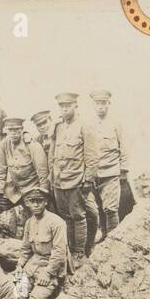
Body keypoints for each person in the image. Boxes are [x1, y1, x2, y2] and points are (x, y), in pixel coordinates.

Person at [48, 91, 99, 258]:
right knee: (65, 218)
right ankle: (70, 250)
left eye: (67, 106)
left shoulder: (85, 126)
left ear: (75, 106)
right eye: (61, 106)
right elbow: (53, 154)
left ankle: (79, 253)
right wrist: (51, 175)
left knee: (79, 216)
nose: (64, 109)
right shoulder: (58, 127)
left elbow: (91, 156)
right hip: (58, 181)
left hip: (76, 180)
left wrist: (88, 180)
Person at [16, 187, 69, 299]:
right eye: (32, 201)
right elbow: (26, 248)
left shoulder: (56, 222)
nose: (35, 204)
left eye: (39, 201)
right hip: (33, 264)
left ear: (46, 202)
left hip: (52, 266)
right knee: (17, 294)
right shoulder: (29, 222)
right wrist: (20, 265)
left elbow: (59, 252)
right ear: (27, 203)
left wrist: (48, 272)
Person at [89, 90, 128, 238]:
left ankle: (113, 240)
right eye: (97, 103)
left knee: (111, 209)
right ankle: (105, 237)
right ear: (93, 105)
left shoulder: (116, 123)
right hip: (94, 174)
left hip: (111, 172)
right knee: (99, 208)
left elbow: (124, 146)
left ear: (109, 104)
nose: (100, 107)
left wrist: (124, 169)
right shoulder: (89, 124)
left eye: (103, 103)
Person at [0, 116, 49, 205]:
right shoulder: (3, 145)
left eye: (16, 129)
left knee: (35, 214)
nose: (13, 133)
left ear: (22, 129)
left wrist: (43, 194)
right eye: (10, 130)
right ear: (6, 130)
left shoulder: (32, 145)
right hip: (15, 192)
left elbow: (43, 173)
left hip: (32, 190)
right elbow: (0, 171)